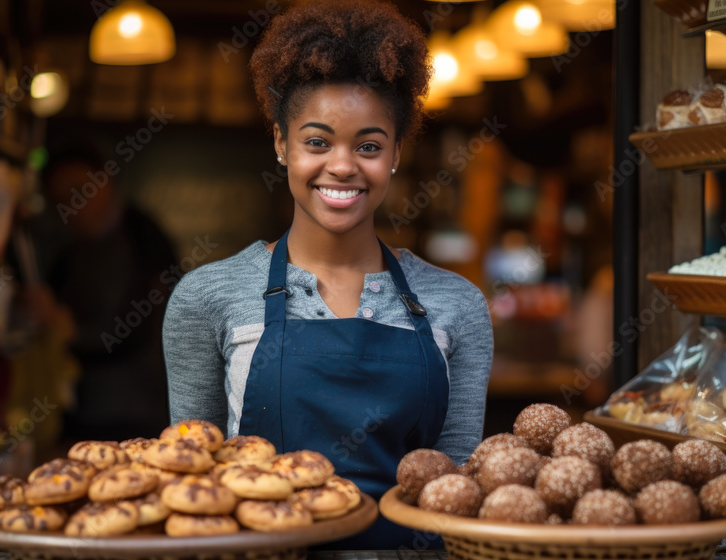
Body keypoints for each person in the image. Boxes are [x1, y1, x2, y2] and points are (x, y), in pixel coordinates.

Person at [163, 0, 493, 548]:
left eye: (368, 146)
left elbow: (457, 492)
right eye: (317, 141)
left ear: (395, 154)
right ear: (280, 144)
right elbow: (190, 488)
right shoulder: (208, 297)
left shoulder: (456, 304)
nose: (342, 166)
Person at [40, 146, 177, 442]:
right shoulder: (71, 248)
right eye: (60, 200)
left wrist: (70, 330)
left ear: (105, 182)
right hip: (83, 410)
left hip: (134, 412)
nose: (72, 205)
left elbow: (138, 325)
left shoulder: (143, 240)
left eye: (79, 190)